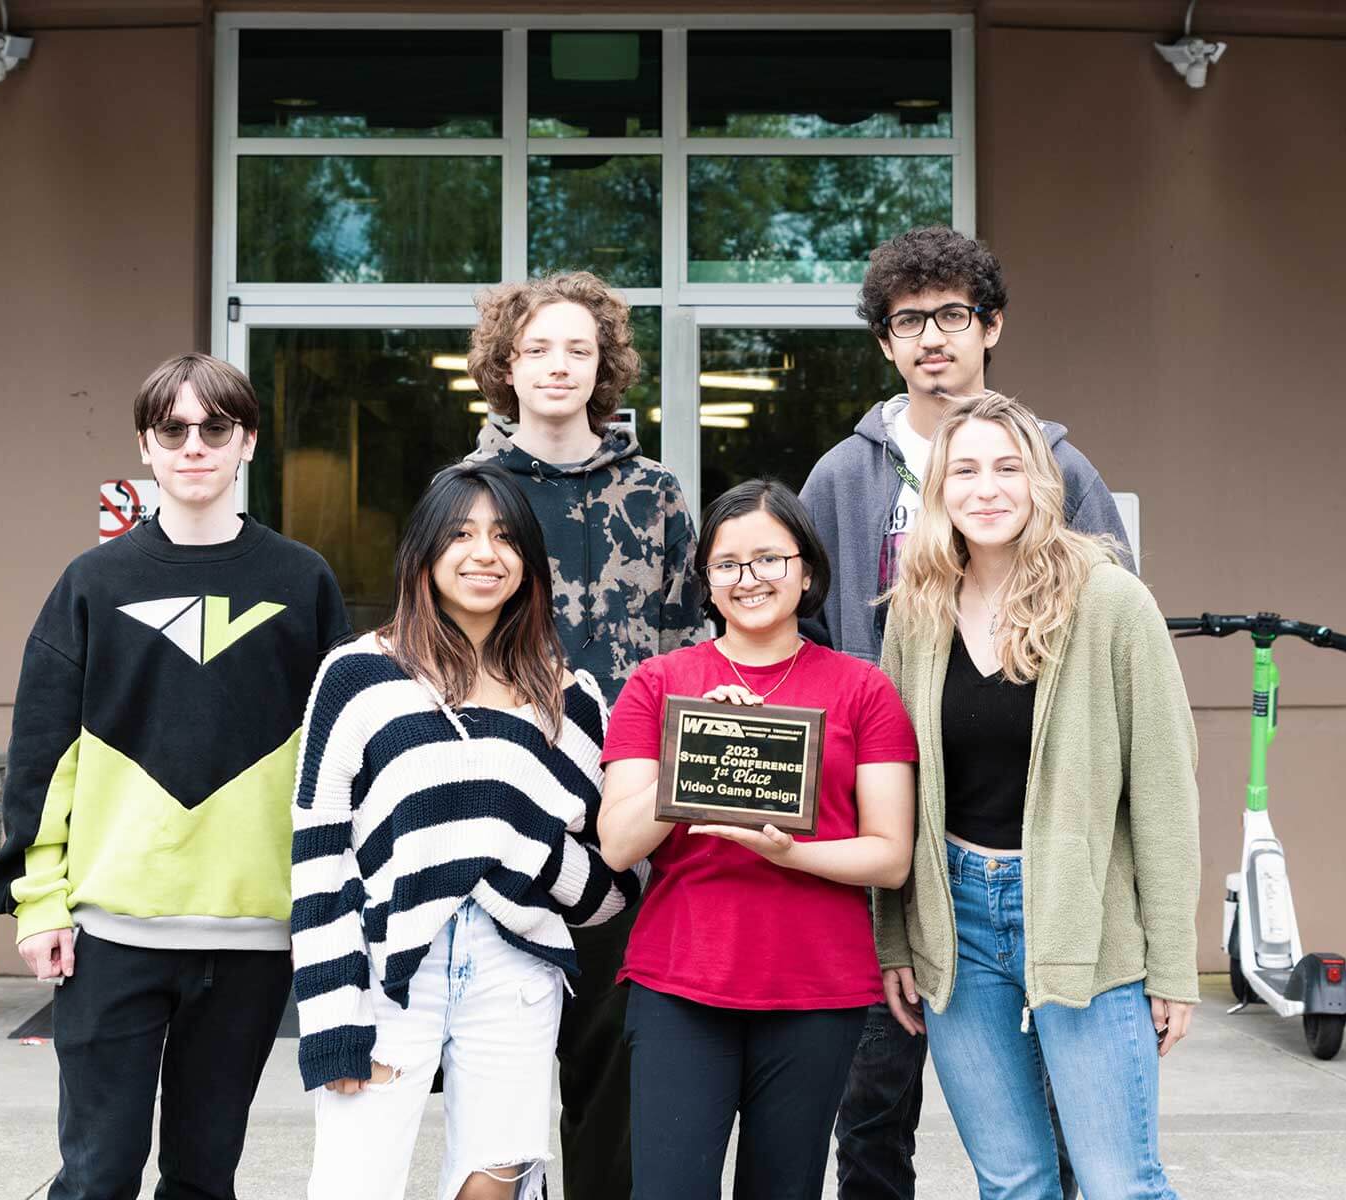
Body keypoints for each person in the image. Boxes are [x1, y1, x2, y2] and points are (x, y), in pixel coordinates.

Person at [799, 225, 1132, 1199]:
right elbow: (805, 634)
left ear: (991, 326)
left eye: (952, 314)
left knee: (1065, 1102)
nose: (931, 337)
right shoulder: (840, 477)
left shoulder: (1058, 471)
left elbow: (1119, 632)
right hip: (883, 832)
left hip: (1028, 839)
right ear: (885, 343)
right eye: (909, 321)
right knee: (872, 1093)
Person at [0, 353, 352, 1199]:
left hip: (254, 936)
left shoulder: (302, 580)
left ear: (247, 441)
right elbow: (43, 754)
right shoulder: (93, 582)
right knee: (97, 1175)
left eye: (215, 427)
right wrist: (39, 905)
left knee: (204, 1176)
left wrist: (331, 909)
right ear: (145, 446)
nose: (194, 445)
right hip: (112, 932)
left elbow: (338, 757)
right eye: (172, 429)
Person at [291, 460, 646, 1200]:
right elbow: (321, 854)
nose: (485, 553)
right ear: (424, 551)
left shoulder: (570, 700)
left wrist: (523, 848)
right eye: (461, 534)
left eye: (505, 537)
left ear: (529, 563)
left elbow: (616, 883)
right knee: (354, 1183)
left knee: (495, 1183)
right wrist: (331, 1017)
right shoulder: (358, 676)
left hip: (514, 968)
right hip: (388, 967)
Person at [877, 393, 1198, 1199]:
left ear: (1041, 483)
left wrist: (1172, 964)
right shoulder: (917, 612)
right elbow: (888, 783)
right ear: (940, 489)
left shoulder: (1110, 600)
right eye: (966, 470)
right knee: (1014, 1182)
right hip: (958, 921)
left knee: (1120, 1181)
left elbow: (1163, 790)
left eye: (1008, 468)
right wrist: (894, 938)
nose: (987, 489)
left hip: (1081, 914)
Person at [597, 478, 918, 1200]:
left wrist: (789, 852)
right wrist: (696, 745)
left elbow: (891, 856)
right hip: (682, 981)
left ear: (806, 571)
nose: (749, 579)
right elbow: (618, 843)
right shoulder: (659, 684)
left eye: (770, 559)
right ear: (706, 583)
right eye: (728, 564)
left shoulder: (864, 690)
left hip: (817, 988)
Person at [466, 270, 706, 1199]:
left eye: (579, 348)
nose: (558, 366)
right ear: (506, 365)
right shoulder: (465, 494)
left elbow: (693, 648)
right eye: (537, 349)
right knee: (500, 1097)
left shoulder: (656, 495)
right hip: (501, 823)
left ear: (604, 365)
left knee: (614, 1093)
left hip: (625, 828)